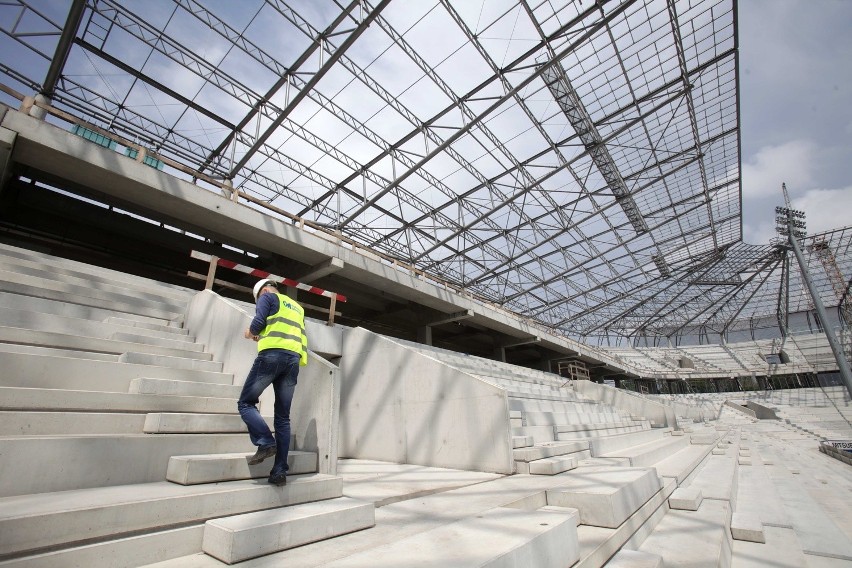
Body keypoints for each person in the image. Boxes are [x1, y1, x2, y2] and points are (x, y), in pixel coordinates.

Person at [237, 278, 308, 486]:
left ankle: (266, 442)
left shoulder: (267, 296)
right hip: (292, 361)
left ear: (265, 290)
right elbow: (291, 333)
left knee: (245, 403)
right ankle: (279, 473)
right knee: (283, 419)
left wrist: (250, 334)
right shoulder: (297, 307)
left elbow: (258, 323)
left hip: (271, 358)